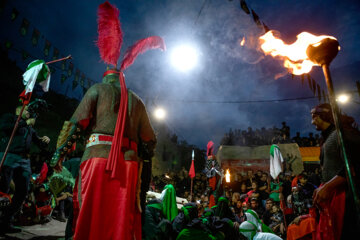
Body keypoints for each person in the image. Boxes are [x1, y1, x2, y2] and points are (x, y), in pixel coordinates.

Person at [311, 103, 360, 239]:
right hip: (333, 196)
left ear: (324, 115)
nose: (312, 121)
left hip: (347, 196)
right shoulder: (327, 137)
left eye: (314, 116)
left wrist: (329, 186)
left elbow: (355, 164)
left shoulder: (344, 133)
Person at [0, 104, 50, 233]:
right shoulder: (10, 118)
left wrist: (44, 141)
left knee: (22, 191)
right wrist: (24, 122)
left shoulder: (30, 128)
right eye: (27, 110)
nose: (29, 113)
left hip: (24, 160)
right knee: (3, 190)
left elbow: (38, 143)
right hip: (9, 155)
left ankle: (6, 221)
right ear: (18, 110)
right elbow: (5, 128)